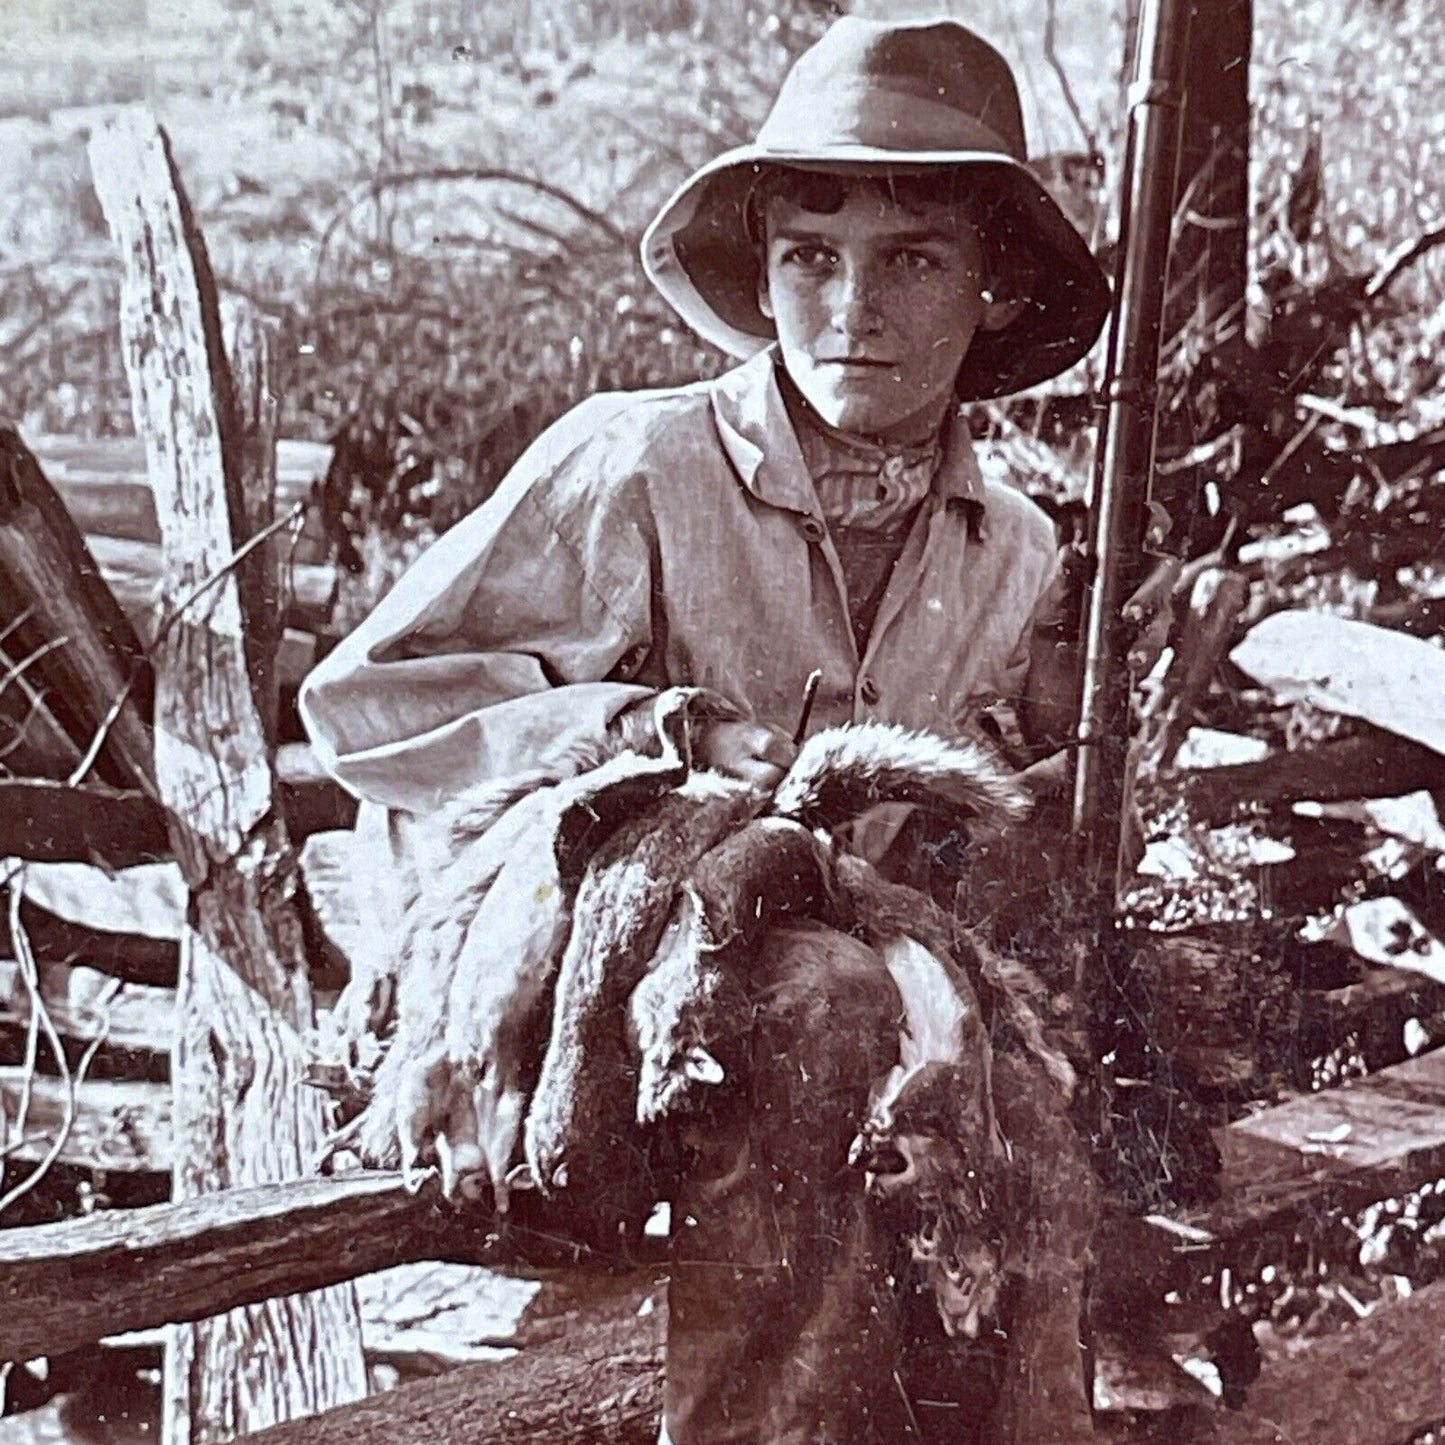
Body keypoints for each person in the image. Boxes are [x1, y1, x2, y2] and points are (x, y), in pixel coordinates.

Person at [301, 16, 1111, 1443]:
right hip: (579, 971)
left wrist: (1053, 755)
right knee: (821, 1005)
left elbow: (950, 806)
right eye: (809, 255)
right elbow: (368, 704)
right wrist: (650, 732)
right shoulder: (640, 462)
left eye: (912, 257)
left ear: (991, 285)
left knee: (1004, 1054)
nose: (848, 304)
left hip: (819, 967)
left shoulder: (1012, 547)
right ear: (766, 270)